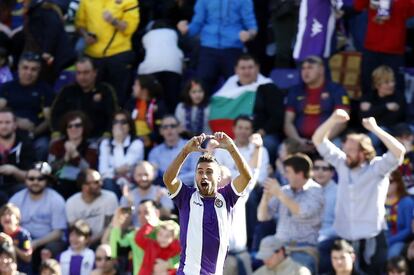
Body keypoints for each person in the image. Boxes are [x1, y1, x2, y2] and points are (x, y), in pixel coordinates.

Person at [312, 109, 406, 274]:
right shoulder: (341, 163)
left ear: (363, 153)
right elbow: (318, 140)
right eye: (345, 149)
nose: (346, 153)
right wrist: (332, 119)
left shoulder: (377, 167)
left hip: (372, 237)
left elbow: (399, 151)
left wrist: (376, 130)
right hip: (345, 237)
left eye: (351, 150)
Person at [163, 132, 252, 274]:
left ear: (218, 178)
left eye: (209, 172)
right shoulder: (186, 197)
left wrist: (231, 148)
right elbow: (168, 179)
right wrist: (185, 152)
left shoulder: (226, 196)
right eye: (200, 171)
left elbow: (246, 177)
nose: (204, 175)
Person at [257, 153, 324, 274]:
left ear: (300, 173)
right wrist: (265, 198)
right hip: (279, 248)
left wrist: (279, 193)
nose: (285, 175)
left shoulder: (316, 190)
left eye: (288, 172)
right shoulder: (284, 190)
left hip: (304, 249)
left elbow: (302, 212)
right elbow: (262, 217)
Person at [176, 0, 257, 95]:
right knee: (202, 88)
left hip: (232, 48)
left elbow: (252, 27)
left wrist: (249, 34)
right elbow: (197, 23)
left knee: (237, 89)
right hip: (208, 49)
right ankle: (204, 110)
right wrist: (186, 30)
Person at [75, 0, 139, 105]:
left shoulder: (129, 1)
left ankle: (118, 120)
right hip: (93, 55)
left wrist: (114, 21)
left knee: (118, 98)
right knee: (91, 97)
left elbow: (130, 28)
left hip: (119, 54)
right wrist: (86, 35)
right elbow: (79, 24)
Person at [284, 56, 350, 152]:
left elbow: (342, 122)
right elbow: (287, 122)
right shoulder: (295, 91)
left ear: (321, 70)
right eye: (303, 68)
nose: (305, 72)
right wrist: (298, 140)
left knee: (339, 146)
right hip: (299, 140)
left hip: (328, 139)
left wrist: (320, 140)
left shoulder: (336, 90)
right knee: (282, 149)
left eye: (310, 67)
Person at [9, 162, 67, 271]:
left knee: (49, 250)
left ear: (47, 180)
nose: (35, 182)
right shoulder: (17, 198)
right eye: (31, 178)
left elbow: (58, 233)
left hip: (48, 241)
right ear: (26, 180)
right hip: (23, 240)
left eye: (40, 179)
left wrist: (36, 243)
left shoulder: (56, 200)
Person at [0, 52, 54, 161]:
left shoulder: (46, 90)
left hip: (36, 135)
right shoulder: (7, 88)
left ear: (39, 71)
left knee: (43, 146)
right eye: (25, 68)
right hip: (7, 133)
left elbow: (49, 119)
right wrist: (16, 121)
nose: (28, 72)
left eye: (34, 69)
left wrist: (33, 132)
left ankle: (35, 176)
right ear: (18, 68)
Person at [50, 57, 118, 140]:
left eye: (86, 73)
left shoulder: (105, 90)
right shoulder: (67, 91)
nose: (82, 77)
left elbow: (113, 115)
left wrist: (107, 135)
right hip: (69, 137)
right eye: (79, 73)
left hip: (97, 137)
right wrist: (56, 133)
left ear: (95, 72)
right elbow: (55, 114)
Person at [355, 0, 414, 96]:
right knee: (368, 84)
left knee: (396, 87)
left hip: (394, 49)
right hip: (372, 46)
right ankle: (368, 110)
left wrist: (393, 3)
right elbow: (358, 6)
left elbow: (410, 12)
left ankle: (394, 110)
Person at [208, 54, 273, 137]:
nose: (247, 71)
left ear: (257, 68)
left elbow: (276, 117)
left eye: (250, 67)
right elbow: (216, 104)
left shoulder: (268, 87)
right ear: (236, 70)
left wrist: (261, 132)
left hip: (261, 134)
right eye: (243, 68)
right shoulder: (230, 84)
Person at [48, 111, 98, 199]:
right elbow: (50, 169)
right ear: (65, 129)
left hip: (82, 182)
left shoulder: (91, 146)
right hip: (60, 182)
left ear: (84, 127)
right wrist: (66, 157)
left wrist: (75, 155)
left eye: (77, 125)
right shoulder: (57, 144)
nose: (73, 128)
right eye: (69, 126)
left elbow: (90, 170)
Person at [138, 20, 184, 113]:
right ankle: (172, 118)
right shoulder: (173, 33)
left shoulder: (147, 36)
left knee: (154, 97)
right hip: (173, 68)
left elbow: (143, 53)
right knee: (172, 98)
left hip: (151, 69)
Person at [65, 169, 119, 248]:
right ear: (84, 186)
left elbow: (110, 226)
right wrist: (83, 241)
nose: (101, 184)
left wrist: (92, 241)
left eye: (100, 180)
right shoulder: (71, 202)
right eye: (96, 182)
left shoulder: (110, 198)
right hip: (80, 242)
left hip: (103, 240)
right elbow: (73, 229)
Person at [99, 110, 145, 198]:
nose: (119, 125)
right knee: (108, 182)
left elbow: (125, 168)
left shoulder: (137, 143)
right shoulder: (105, 143)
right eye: (115, 122)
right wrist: (115, 171)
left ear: (130, 126)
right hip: (110, 184)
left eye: (123, 122)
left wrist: (118, 142)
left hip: (132, 184)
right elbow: (102, 171)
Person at [360, 65, 406, 153]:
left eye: (392, 81)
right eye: (387, 82)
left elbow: (391, 120)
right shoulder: (369, 96)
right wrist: (385, 107)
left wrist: (372, 110)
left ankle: (361, 153)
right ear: (377, 85)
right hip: (370, 134)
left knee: (380, 130)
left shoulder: (398, 97)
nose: (391, 84)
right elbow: (363, 118)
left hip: (392, 133)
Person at [109, 200, 161, 275]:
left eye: (146, 212)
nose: (142, 216)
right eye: (139, 213)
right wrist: (117, 223)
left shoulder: (169, 229)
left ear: (157, 213)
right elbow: (116, 253)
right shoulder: (134, 235)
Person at [148, 115, 199, 186]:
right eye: (165, 127)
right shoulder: (154, 152)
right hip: (164, 190)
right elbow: (152, 175)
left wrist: (174, 180)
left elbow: (197, 172)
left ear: (179, 128)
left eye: (172, 126)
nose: (169, 129)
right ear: (161, 131)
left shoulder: (192, 147)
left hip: (188, 188)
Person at [120, 161, 174, 226]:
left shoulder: (163, 192)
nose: (143, 178)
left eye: (146, 174)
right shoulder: (128, 196)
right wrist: (129, 205)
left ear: (153, 175)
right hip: (135, 233)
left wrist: (157, 203)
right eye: (139, 175)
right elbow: (122, 225)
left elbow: (168, 217)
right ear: (134, 176)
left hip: (156, 233)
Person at [0, 108, 35, 204]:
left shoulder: (25, 143)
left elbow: (32, 176)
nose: (3, 126)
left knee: (25, 190)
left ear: (15, 125)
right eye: (0, 122)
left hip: (17, 185)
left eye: (7, 122)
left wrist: (14, 171)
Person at [126, 75, 168, 149]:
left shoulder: (158, 105)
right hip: (132, 142)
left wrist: (150, 138)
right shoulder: (130, 104)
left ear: (144, 90)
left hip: (151, 144)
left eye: (136, 85)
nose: (133, 87)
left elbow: (161, 128)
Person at [313, 157, 338, 274]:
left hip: (329, 236)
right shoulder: (308, 189)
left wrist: (322, 235)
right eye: (316, 168)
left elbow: (342, 224)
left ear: (332, 173)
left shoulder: (339, 192)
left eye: (324, 168)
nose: (320, 172)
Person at [385, 170, 414, 259]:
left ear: (398, 183)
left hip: (400, 241)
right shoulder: (379, 202)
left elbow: (408, 229)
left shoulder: (406, 202)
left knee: (392, 253)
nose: (386, 185)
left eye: (390, 182)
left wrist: (390, 240)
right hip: (383, 239)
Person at [0, 203, 32, 274]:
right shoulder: (1, 236)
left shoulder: (24, 235)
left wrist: (11, 245)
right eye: (3, 215)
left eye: (9, 214)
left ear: (17, 219)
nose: (6, 217)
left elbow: (28, 257)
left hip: (21, 271)